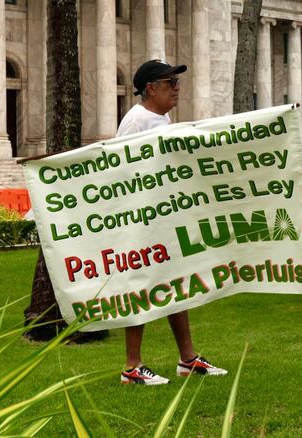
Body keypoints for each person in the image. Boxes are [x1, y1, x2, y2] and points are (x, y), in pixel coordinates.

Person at [117, 59, 226, 385]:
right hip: (143, 218)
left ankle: (187, 358)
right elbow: (120, 166)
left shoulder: (160, 117)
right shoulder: (136, 120)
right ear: (151, 88)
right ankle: (132, 366)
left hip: (164, 215)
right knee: (141, 284)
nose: (177, 89)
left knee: (176, 282)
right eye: (171, 83)